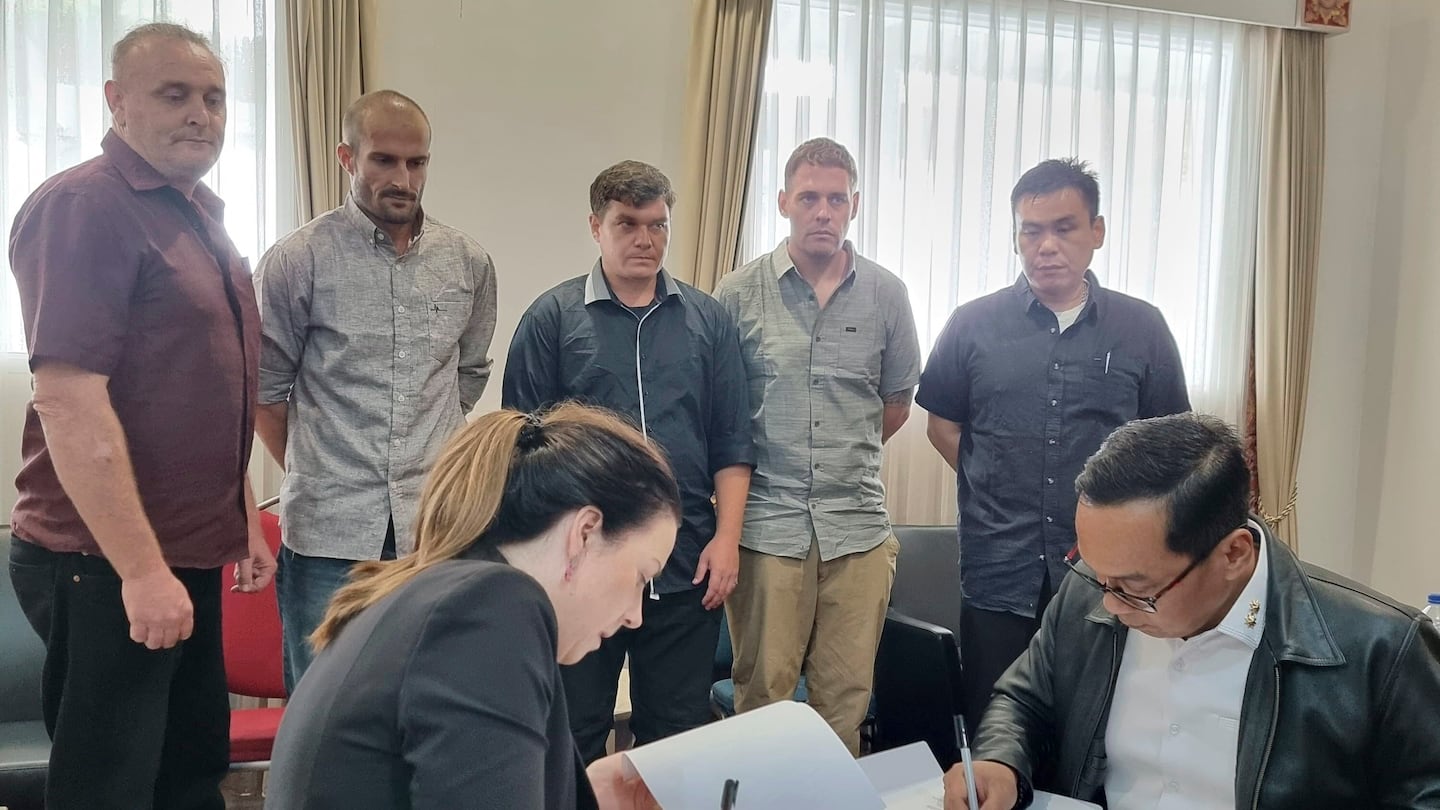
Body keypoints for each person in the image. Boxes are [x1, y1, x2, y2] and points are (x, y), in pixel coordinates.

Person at [6, 22, 274, 810]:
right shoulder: (86, 208)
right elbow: (68, 400)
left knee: (188, 774)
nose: (201, 115)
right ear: (116, 103)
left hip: (178, 556)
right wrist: (141, 571)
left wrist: (240, 522)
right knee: (111, 789)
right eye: (175, 94)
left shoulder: (195, 214)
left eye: (216, 98)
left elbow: (201, 389)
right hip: (106, 563)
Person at [942, 413, 1440, 809]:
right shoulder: (1089, 594)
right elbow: (1024, 699)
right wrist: (999, 761)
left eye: (1137, 587)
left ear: (1233, 554)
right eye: (1097, 573)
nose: (1110, 605)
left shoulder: (1381, 649)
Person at [265, 404, 677, 810]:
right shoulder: (493, 607)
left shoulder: (443, 595)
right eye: (643, 575)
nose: (635, 615)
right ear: (584, 533)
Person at [916, 158, 1190, 729]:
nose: (1046, 246)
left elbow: (1170, 447)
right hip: (999, 564)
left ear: (1097, 232)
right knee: (997, 721)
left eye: (1064, 227)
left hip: (1108, 574)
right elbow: (942, 425)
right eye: (1030, 230)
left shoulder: (1143, 328)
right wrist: (991, 479)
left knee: (1097, 724)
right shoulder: (972, 324)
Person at [502, 159, 754, 762]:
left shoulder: (707, 321)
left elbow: (731, 439)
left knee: (677, 734)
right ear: (596, 226)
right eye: (629, 224)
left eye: (658, 225)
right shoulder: (553, 319)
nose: (646, 240)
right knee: (575, 732)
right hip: (584, 568)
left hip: (687, 561)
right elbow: (522, 450)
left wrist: (728, 540)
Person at [253, 89, 497, 691]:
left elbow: (466, 376)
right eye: (384, 160)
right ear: (347, 157)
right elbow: (264, 392)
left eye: (417, 163)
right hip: (328, 535)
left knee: (432, 698)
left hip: (433, 532)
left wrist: (423, 454)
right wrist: (320, 468)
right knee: (325, 703)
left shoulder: (467, 262)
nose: (403, 178)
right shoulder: (296, 261)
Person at [714, 137, 922, 755]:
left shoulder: (888, 295)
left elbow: (894, 405)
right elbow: (724, 415)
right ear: (784, 202)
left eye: (836, 198)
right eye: (809, 197)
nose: (823, 211)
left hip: (857, 531)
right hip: (767, 530)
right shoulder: (737, 293)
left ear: (854, 204)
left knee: (845, 702)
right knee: (763, 702)